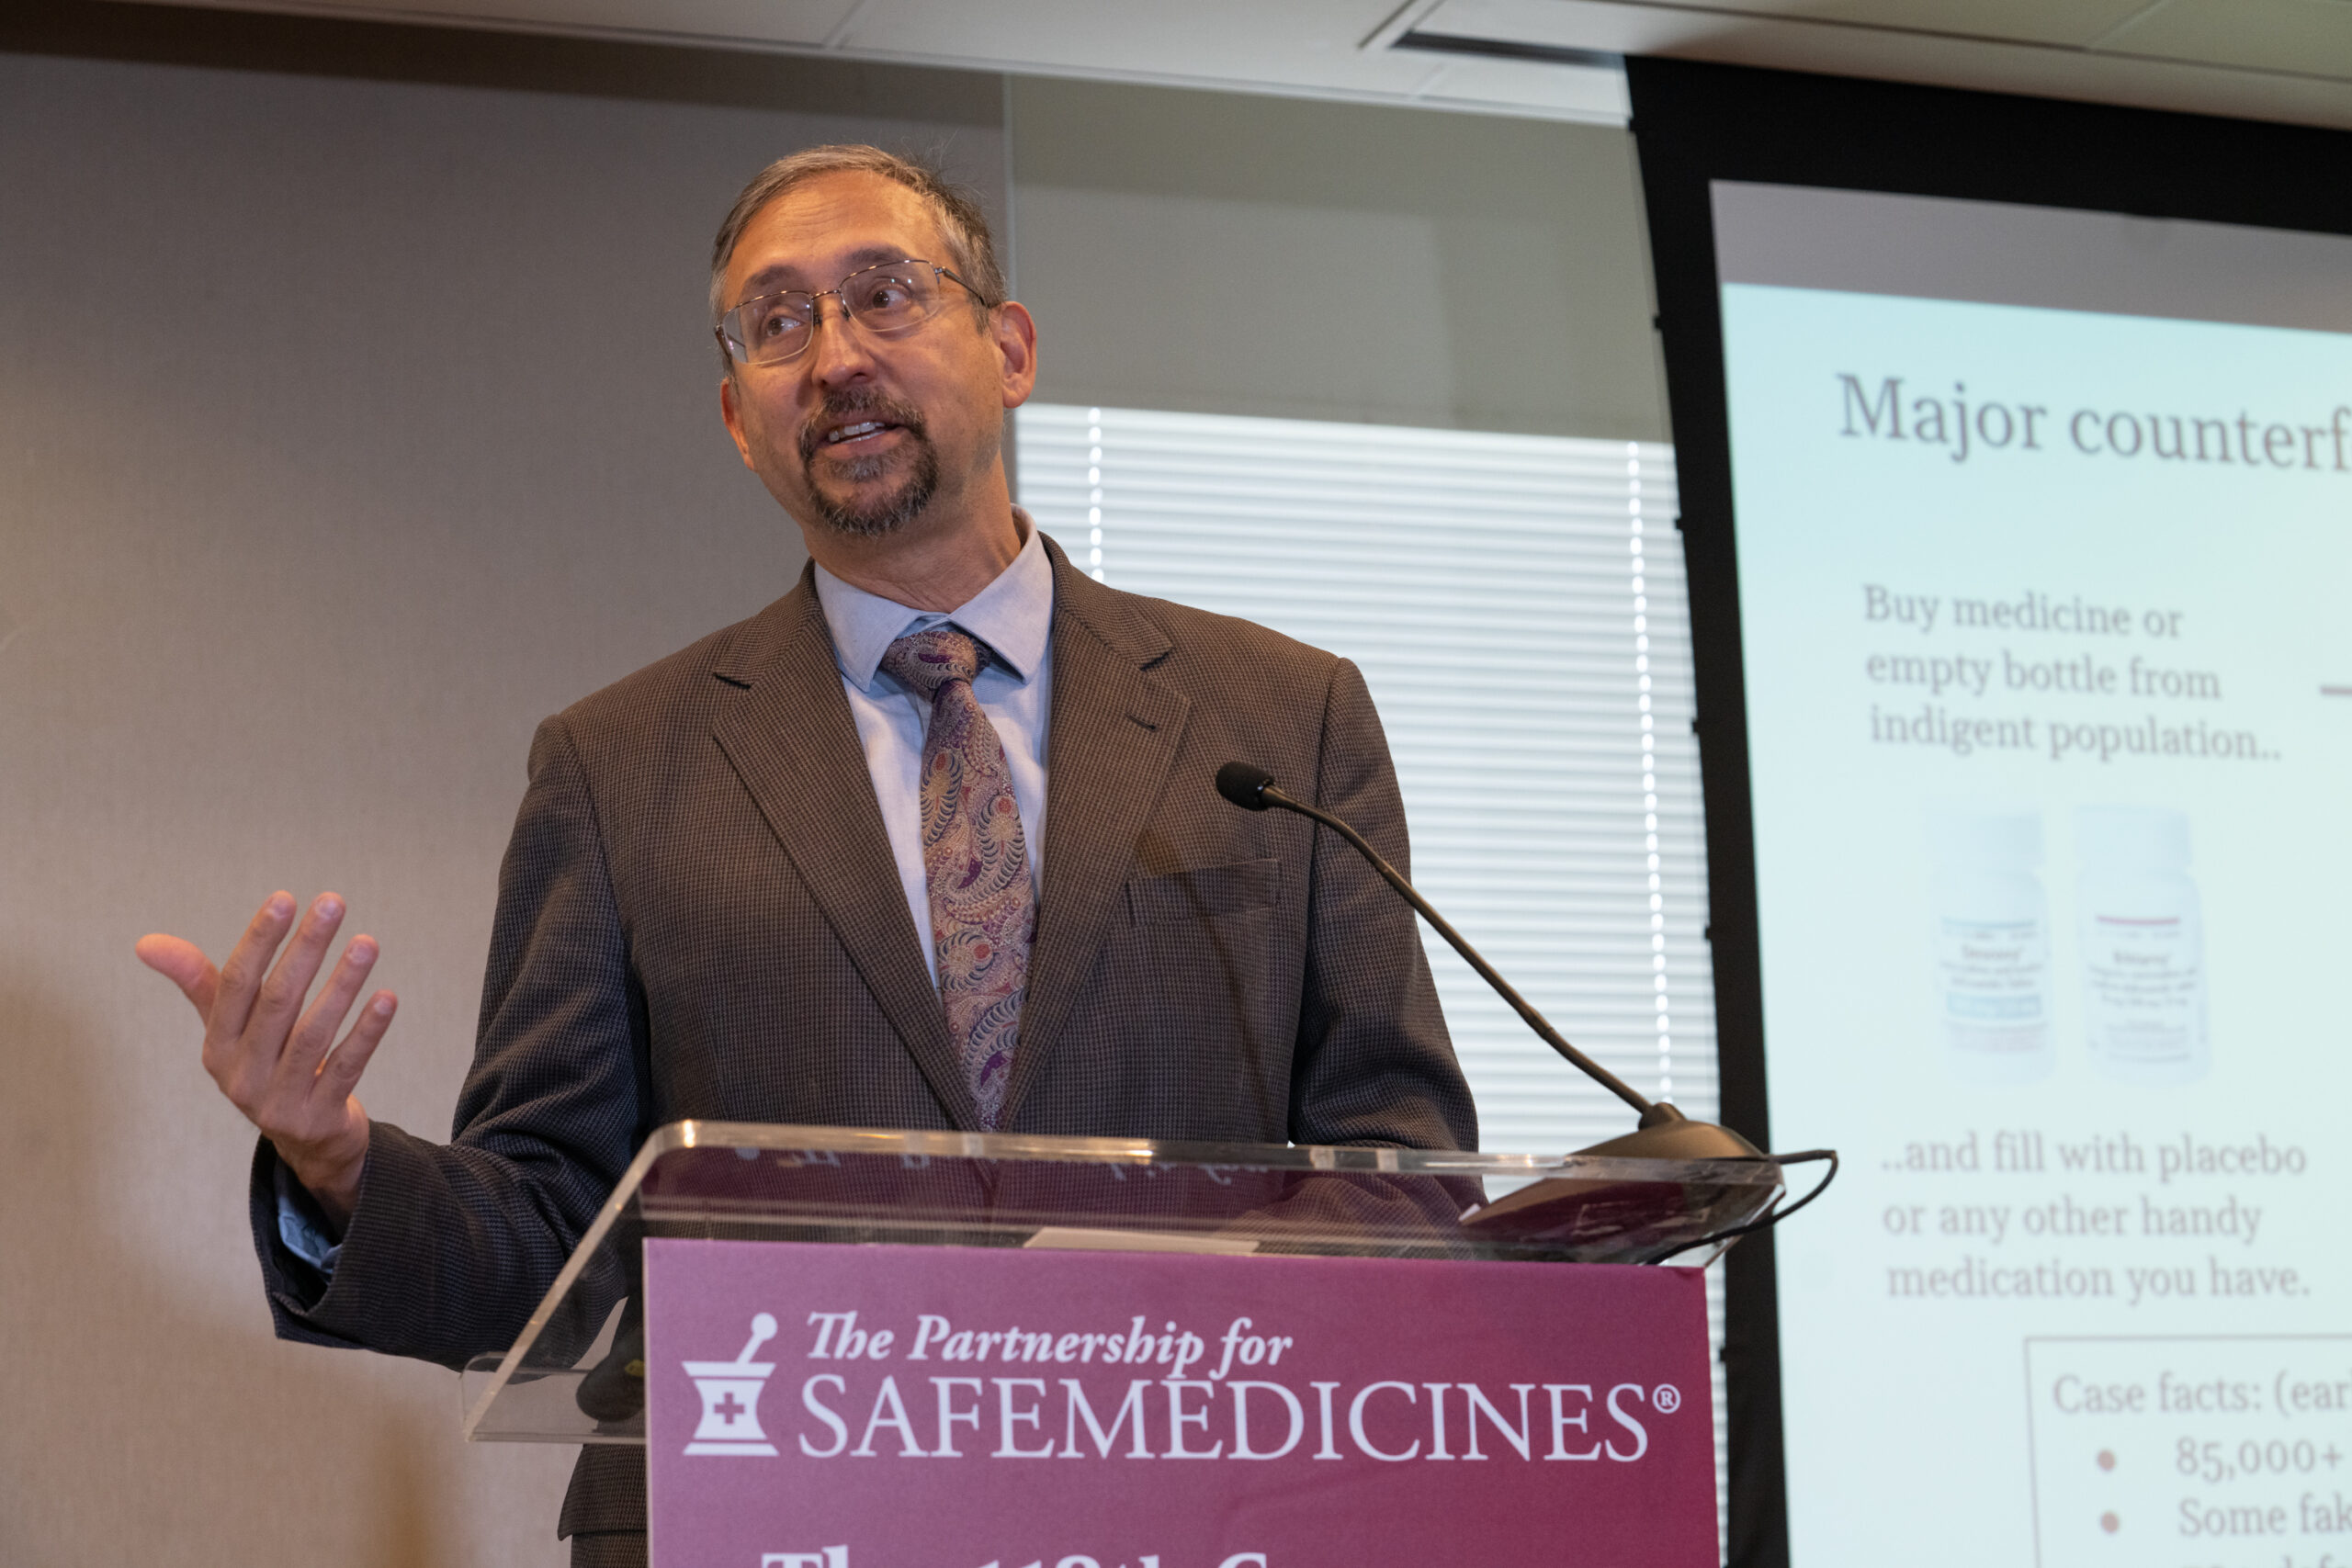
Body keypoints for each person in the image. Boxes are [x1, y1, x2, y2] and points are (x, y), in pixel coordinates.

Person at [137, 145, 1475, 1565]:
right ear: (736, 415)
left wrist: (1158, 1320)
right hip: (760, 1521)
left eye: (885, 296)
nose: (834, 356)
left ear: (1009, 348)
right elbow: (552, 1234)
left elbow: (1400, 1162)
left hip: (1201, 1511)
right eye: (778, 324)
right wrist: (338, 1166)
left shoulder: (1276, 716)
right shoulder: (617, 764)